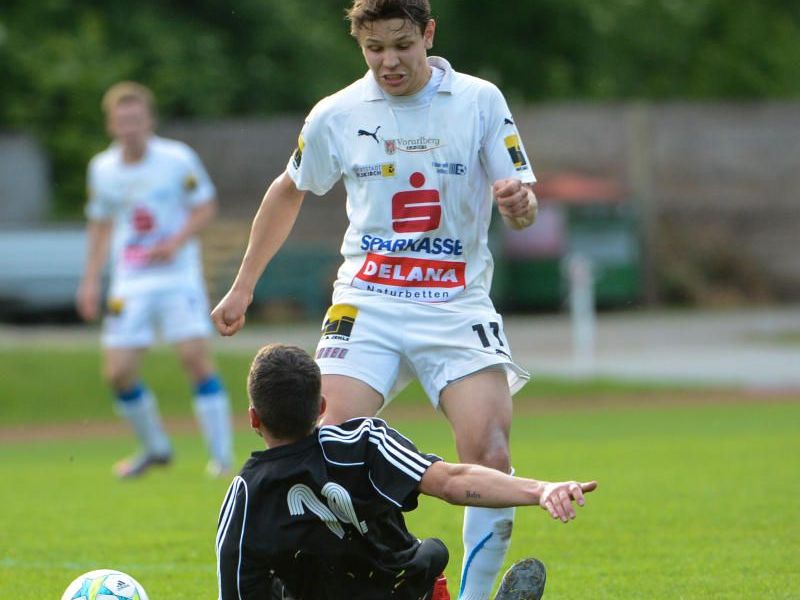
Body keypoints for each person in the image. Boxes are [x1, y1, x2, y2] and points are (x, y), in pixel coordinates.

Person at [211, 1, 538, 597]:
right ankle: (382, 581)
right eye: (374, 49)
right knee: (323, 446)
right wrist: (243, 284)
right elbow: (288, 191)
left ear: (428, 34)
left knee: (489, 452)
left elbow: (521, 203)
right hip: (367, 303)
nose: (389, 61)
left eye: (401, 45)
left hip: (455, 303)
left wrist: (520, 206)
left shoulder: (479, 101)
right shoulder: (337, 113)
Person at [215, 344, 597, 600]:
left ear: (253, 418)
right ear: (321, 407)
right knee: (425, 554)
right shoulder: (363, 441)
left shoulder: (246, 494)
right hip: (405, 589)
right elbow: (452, 482)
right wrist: (541, 489)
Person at [76, 81, 234, 478]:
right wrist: (90, 280)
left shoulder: (177, 159)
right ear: (111, 125)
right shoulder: (103, 168)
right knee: (117, 372)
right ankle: (155, 448)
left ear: (149, 120)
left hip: (178, 276)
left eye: (136, 119)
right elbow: (99, 225)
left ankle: (221, 458)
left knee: (194, 358)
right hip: (130, 281)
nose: (130, 127)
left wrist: (174, 241)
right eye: (121, 120)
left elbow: (205, 206)